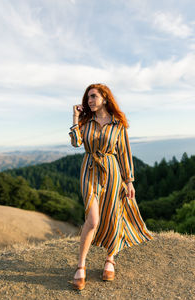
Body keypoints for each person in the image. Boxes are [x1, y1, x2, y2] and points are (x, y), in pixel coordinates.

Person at [69, 83, 154, 290]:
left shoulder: (118, 123)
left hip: (112, 171)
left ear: (105, 98)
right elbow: (75, 143)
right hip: (89, 170)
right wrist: (75, 118)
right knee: (93, 219)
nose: (89, 100)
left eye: (94, 96)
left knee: (114, 214)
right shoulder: (86, 120)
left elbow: (124, 152)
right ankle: (81, 265)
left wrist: (129, 180)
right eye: (88, 97)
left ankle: (110, 258)